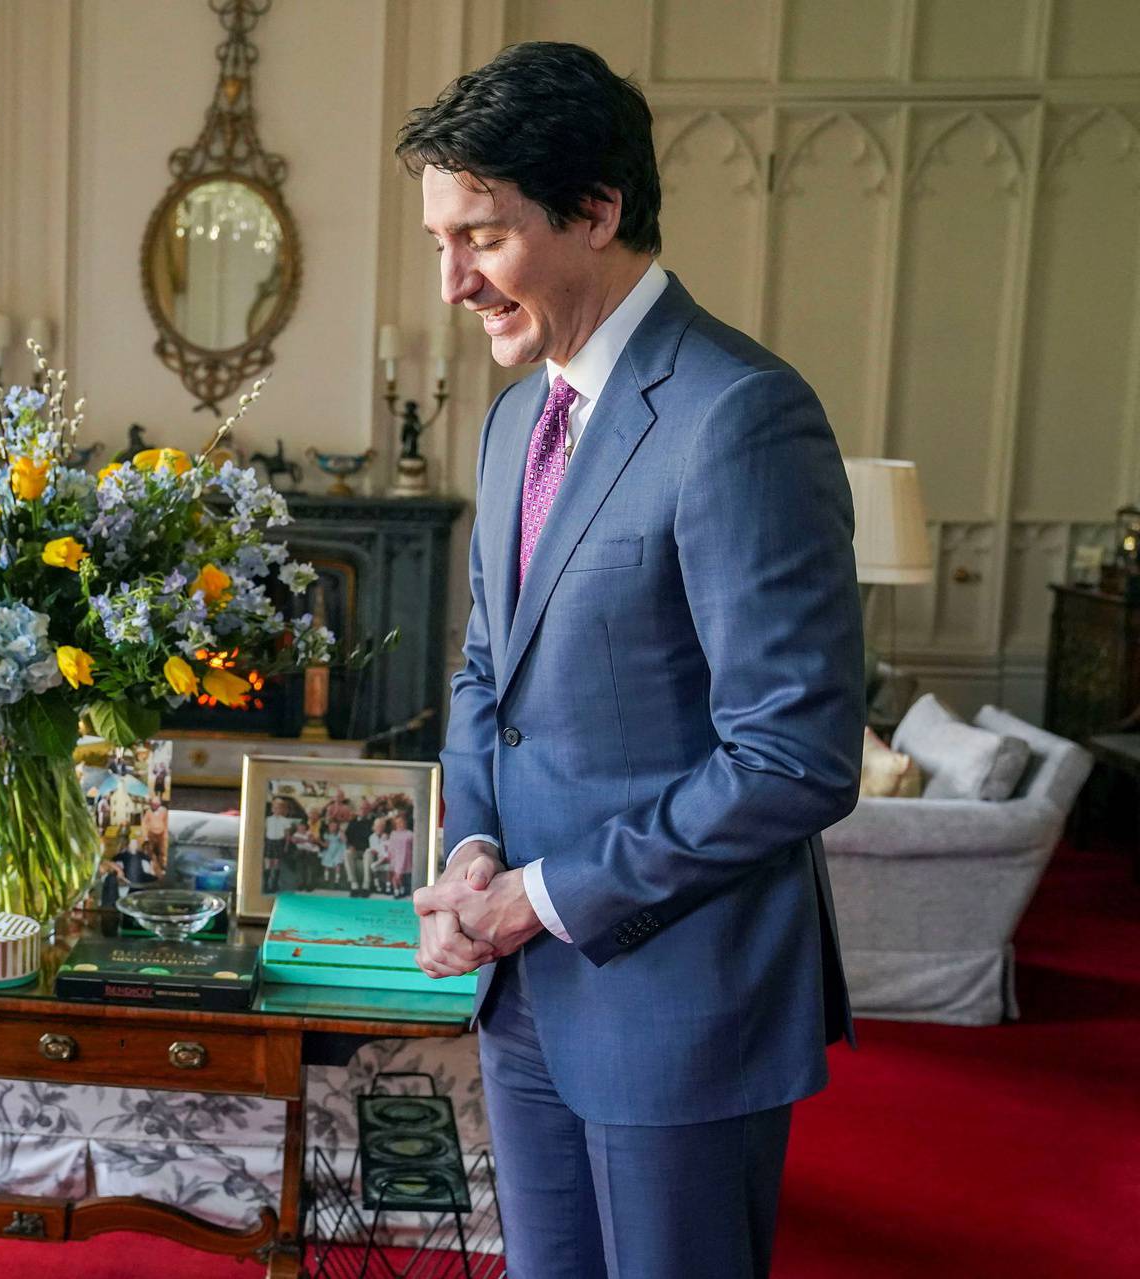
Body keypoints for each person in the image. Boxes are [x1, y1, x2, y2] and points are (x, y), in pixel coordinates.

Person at [401, 43, 861, 1279]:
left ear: (596, 209)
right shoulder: (514, 418)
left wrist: (537, 899)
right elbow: (485, 676)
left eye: (482, 237)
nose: (451, 281)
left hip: (681, 1005)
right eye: (442, 240)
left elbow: (793, 758)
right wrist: (473, 852)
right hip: (525, 996)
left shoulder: (740, 414)